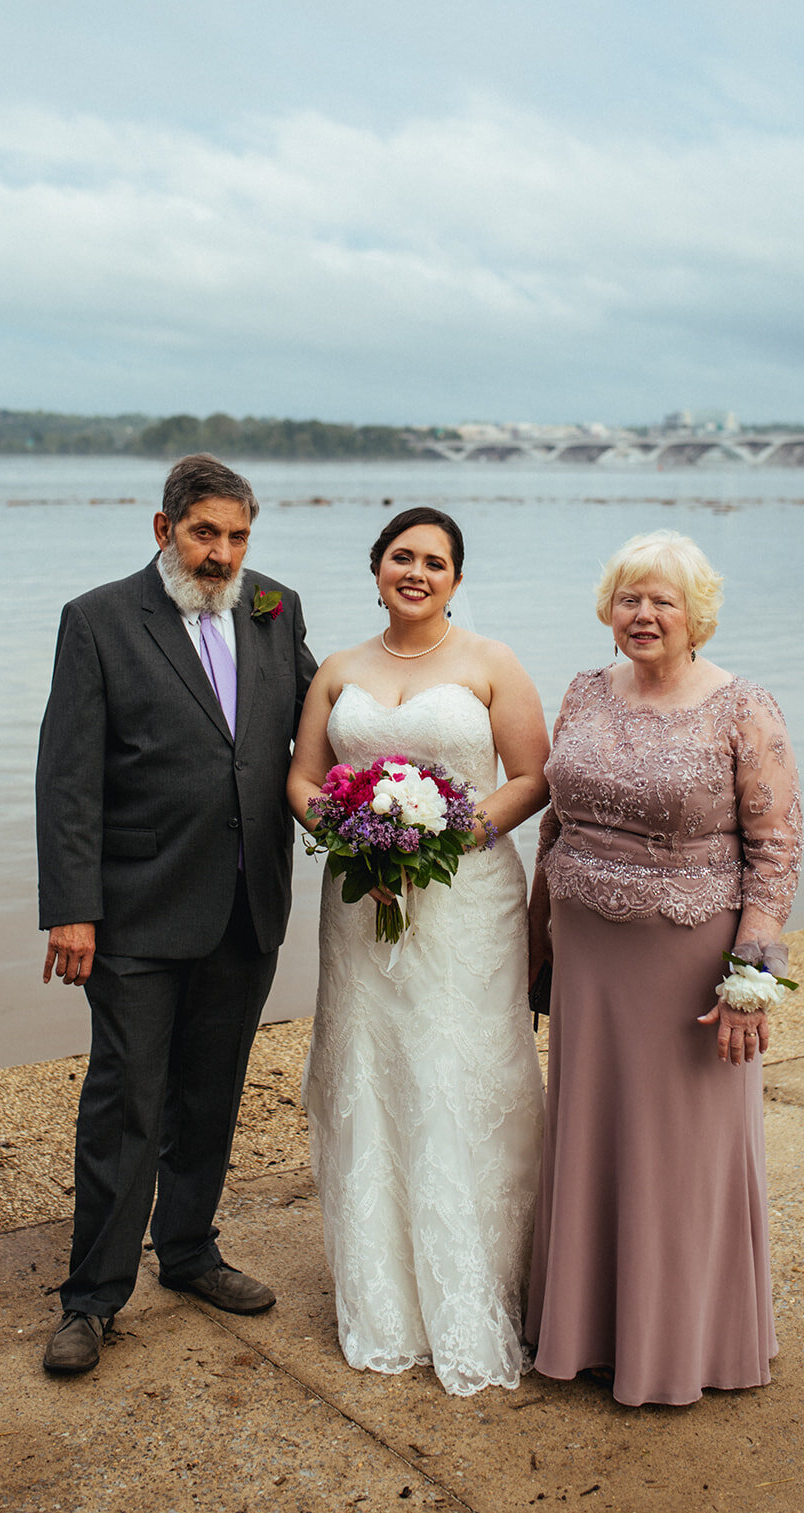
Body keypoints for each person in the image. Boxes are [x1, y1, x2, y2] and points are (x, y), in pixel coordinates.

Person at [36, 454, 316, 1374]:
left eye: (237, 536)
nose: (222, 554)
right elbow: (67, 778)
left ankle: (189, 1253)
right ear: (163, 531)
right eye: (205, 533)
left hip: (247, 903)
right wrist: (72, 910)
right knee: (124, 1101)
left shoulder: (276, 608)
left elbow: (324, 722)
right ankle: (91, 1298)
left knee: (211, 1094)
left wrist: (390, 803)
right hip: (137, 913)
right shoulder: (100, 620)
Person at [525, 529, 802, 1407]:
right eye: (628, 599)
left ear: (696, 618)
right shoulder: (580, 691)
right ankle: (588, 1330)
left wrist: (751, 981)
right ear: (608, 610)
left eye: (662, 601)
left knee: (680, 1151)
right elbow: (553, 828)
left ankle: (684, 1343)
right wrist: (535, 948)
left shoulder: (741, 706)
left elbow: (777, 848)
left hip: (686, 962)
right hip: (589, 961)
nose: (642, 615)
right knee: (592, 1134)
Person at [287, 507, 548, 1396]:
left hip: (465, 897)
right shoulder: (339, 669)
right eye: (402, 556)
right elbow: (301, 775)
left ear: (456, 579)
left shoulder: (490, 663)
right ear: (374, 568)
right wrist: (355, 836)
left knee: (458, 1068)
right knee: (372, 1069)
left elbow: (532, 776)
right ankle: (384, 1289)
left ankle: (480, 1280)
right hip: (361, 900)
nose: (416, 572)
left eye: (434, 562)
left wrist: (451, 833)